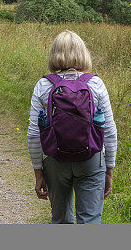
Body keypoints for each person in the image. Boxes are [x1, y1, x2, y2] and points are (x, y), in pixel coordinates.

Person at [27, 30, 117, 224]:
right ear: (83, 53)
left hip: (54, 160)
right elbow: (109, 131)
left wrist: (38, 172)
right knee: (90, 220)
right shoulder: (95, 84)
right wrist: (109, 170)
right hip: (91, 160)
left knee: (60, 220)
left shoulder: (43, 85)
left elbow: (34, 134)